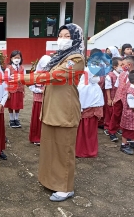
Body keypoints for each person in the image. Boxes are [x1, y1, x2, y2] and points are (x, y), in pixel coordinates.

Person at [13, 23, 85, 202]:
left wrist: (22, 78)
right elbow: (44, 75)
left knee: (63, 150)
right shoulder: (58, 58)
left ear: (75, 38)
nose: (63, 39)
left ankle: (65, 187)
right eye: (61, 35)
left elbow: (53, 76)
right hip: (51, 109)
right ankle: (50, 180)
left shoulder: (76, 59)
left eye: (67, 36)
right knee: (50, 148)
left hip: (64, 111)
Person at [76, 68, 104, 158]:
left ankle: (90, 150)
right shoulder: (83, 86)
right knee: (83, 133)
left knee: (91, 133)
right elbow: (80, 101)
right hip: (85, 114)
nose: (97, 78)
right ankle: (81, 150)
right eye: (95, 75)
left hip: (93, 114)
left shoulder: (95, 85)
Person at [108, 56, 134, 142]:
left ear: (129, 64)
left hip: (130, 100)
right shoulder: (122, 74)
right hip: (119, 98)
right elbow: (117, 86)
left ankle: (128, 134)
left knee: (128, 117)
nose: (122, 66)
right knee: (116, 115)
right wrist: (114, 98)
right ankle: (112, 131)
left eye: (123, 64)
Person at [28, 55, 51, 145]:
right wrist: (39, 90)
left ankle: (45, 138)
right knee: (37, 119)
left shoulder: (50, 74)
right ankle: (36, 137)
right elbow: (30, 85)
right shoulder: (35, 74)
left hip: (48, 100)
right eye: (44, 66)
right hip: (38, 100)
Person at [5, 50, 26, 128]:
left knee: (18, 105)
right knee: (11, 105)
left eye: (18, 57)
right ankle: (11, 119)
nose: (17, 59)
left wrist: (24, 90)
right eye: (15, 57)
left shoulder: (22, 68)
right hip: (11, 90)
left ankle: (16, 119)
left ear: (21, 59)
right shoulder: (8, 69)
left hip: (19, 90)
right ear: (11, 58)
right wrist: (7, 92)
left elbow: (24, 80)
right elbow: (6, 80)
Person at [104, 57, 123, 136]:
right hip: (111, 97)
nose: (122, 67)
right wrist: (109, 99)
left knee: (118, 113)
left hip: (119, 98)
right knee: (110, 113)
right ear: (115, 67)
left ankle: (117, 127)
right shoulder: (110, 75)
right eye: (121, 65)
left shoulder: (122, 75)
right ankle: (107, 127)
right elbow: (108, 88)